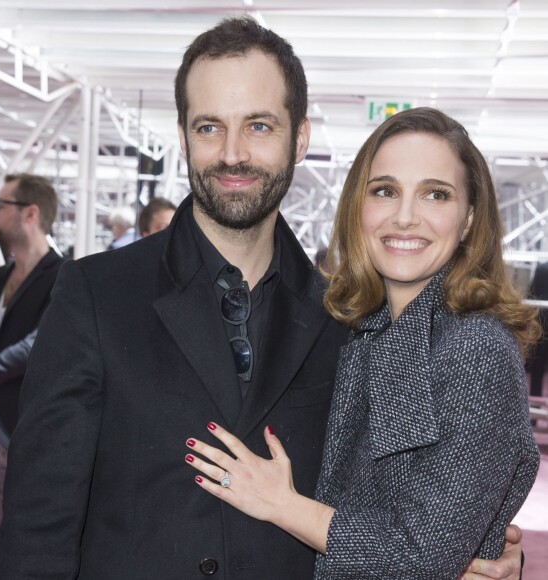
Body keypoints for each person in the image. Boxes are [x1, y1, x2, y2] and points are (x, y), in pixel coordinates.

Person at [0, 19, 521, 580]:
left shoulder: (347, 318)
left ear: (300, 137)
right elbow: (38, 525)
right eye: (209, 128)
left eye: (259, 126)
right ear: (183, 137)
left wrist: (477, 552)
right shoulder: (95, 294)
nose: (232, 153)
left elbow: (401, 501)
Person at [185, 107, 540, 579]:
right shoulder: (357, 329)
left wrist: (280, 504)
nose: (406, 217)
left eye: (436, 194)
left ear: (470, 218)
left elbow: (420, 557)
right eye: (385, 191)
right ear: (359, 206)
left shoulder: (474, 347)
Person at [0, 173, 62, 578]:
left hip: (34, 425)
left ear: (30, 213)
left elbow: (41, 347)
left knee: (41, 539)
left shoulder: (66, 276)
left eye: (0, 206)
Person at [527, 262, 548, 397]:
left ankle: (535, 398)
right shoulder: (541, 268)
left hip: (541, 321)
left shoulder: (541, 268)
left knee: (538, 367)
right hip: (542, 321)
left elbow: (531, 294)